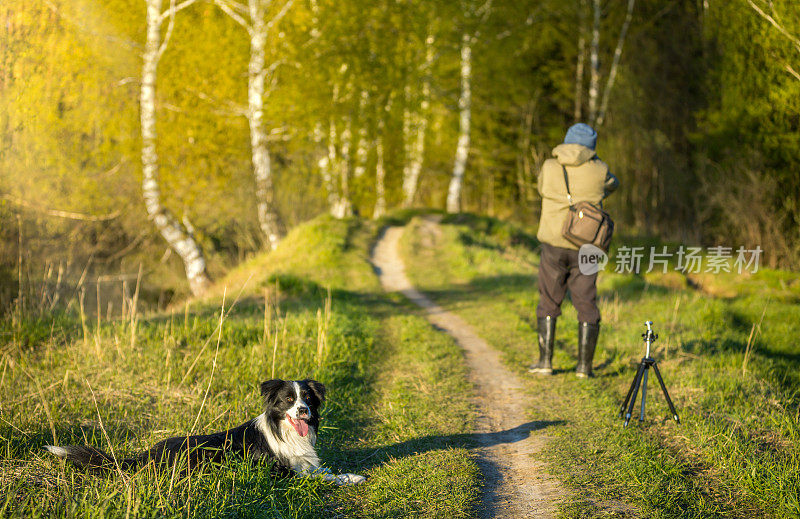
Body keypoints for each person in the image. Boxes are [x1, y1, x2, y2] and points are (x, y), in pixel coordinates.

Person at [529, 123, 619, 378]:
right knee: (586, 300)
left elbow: (541, 188)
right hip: (589, 245)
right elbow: (614, 185)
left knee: (548, 299)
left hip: (554, 241)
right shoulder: (600, 170)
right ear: (592, 148)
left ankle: (545, 362)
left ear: (566, 142)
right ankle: (584, 368)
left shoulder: (549, 166)